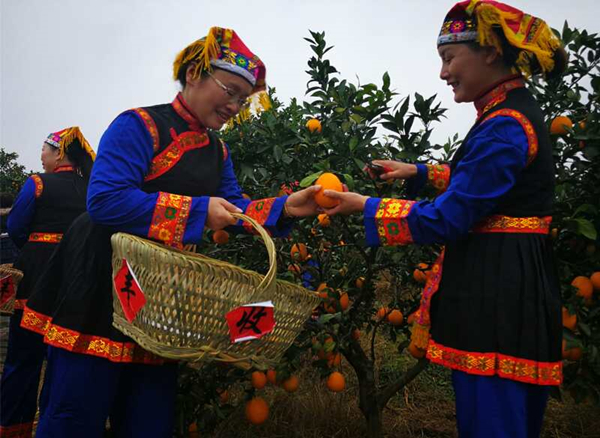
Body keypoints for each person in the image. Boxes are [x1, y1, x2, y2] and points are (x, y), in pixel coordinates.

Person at [20, 27, 320, 438]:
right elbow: (105, 201)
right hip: (98, 282)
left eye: (242, 99)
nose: (234, 105)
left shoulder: (218, 151)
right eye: (229, 90)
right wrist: (198, 211)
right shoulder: (139, 125)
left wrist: (287, 206)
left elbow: (235, 208)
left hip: (160, 301)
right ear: (195, 74)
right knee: (76, 411)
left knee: (147, 418)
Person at [323, 1, 566, 437]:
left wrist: (365, 205)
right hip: (511, 285)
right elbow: (487, 183)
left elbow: (452, 217)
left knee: (492, 419)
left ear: (490, 51)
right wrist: (416, 172)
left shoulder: (505, 122)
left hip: (496, 294)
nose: (443, 72)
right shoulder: (507, 111)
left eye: (449, 58)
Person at [0, 127, 95, 437]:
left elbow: (15, 226)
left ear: (59, 154)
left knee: (22, 359)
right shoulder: (91, 189)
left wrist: (37, 248)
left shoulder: (38, 183)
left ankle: (13, 427)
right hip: (76, 278)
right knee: (62, 360)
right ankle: (54, 429)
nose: (41, 154)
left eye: (45, 149)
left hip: (36, 281)